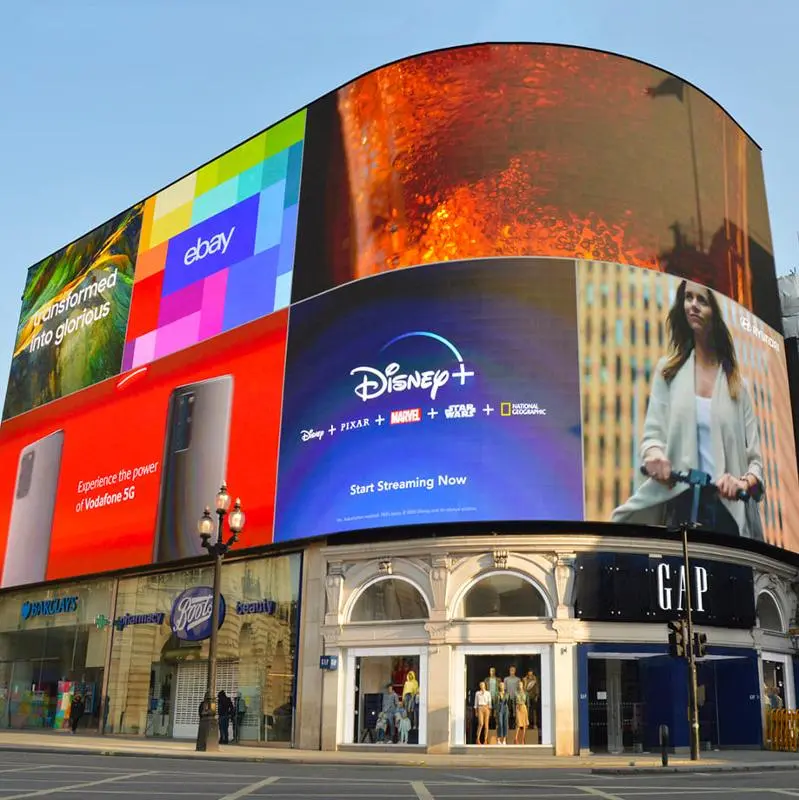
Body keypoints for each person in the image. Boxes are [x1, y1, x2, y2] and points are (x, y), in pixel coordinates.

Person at [613, 280, 764, 538]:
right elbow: (652, 437)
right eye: (688, 298)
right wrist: (655, 457)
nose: (692, 305)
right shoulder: (668, 372)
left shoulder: (738, 386)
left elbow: (756, 463)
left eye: (702, 300)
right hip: (678, 504)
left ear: (715, 312)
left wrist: (741, 482)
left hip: (726, 514)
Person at [473, 681, 492, 745]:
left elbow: (490, 702)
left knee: (486, 725)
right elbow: (475, 703)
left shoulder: (488, 693)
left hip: (486, 708)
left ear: (485, 686)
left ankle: (485, 740)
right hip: (480, 708)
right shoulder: (477, 693)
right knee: (481, 723)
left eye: (483, 685)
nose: (482, 686)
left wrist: (490, 710)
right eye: (480, 685)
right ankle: (477, 739)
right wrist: (476, 711)